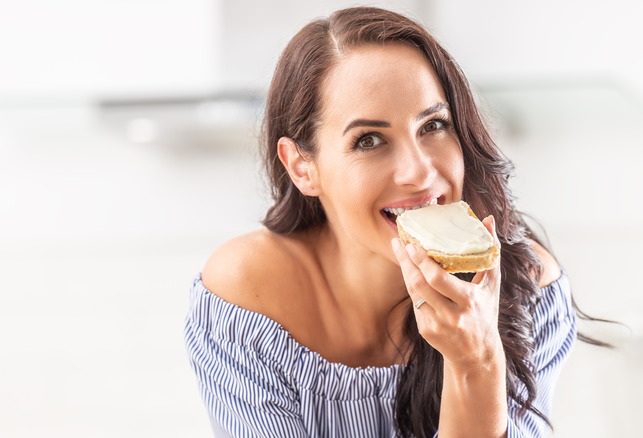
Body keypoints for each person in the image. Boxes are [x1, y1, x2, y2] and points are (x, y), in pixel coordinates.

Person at [184, 6, 578, 438]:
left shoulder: (526, 289)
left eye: (433, 125)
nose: (420, 171)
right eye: (369, 140)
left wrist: (477, 362)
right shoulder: (248, 298)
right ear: (302, 167)